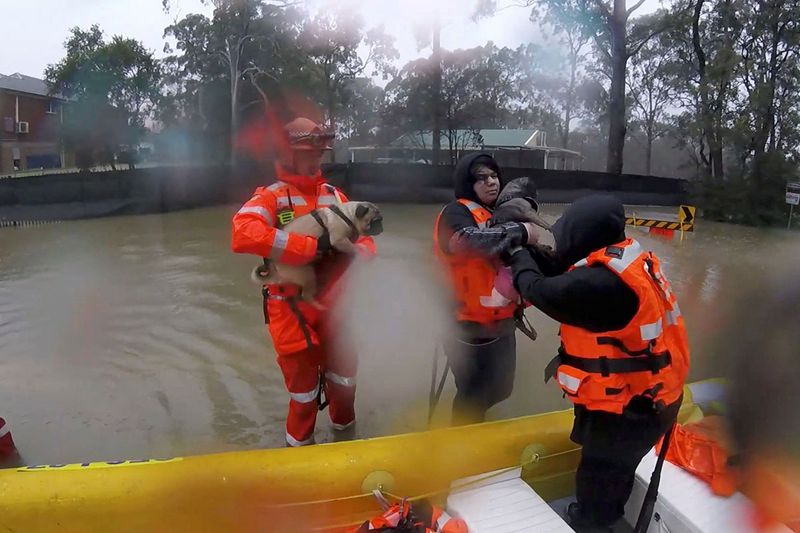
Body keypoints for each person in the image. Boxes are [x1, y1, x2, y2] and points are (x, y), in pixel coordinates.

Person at [504, 194, 690, 531]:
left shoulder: (604, 284)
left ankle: (593, 521)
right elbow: (563, 266)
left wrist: (517, 255)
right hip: (650, 398)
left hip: (631, 410)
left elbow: (540, 290)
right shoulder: (626, 257)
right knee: (611, 472)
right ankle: (605, 508)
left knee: (598, 481)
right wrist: (529, 242)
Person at [231, 117, 376, 447]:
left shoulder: (335, 196)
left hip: (337, 308)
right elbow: (242, 233)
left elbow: (366, 238)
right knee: (304, 396)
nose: (315, 160)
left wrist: (361, 253)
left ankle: (347, 444)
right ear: (289, 154)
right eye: (307, 152)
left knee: (345, 384)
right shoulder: (272, 197)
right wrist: (310, 247)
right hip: (290, 308)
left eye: (320, 153)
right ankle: (299, 458)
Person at [433, 153, 540, 425]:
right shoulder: (456, 212)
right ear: (468, 184)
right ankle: (462, 447)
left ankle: (476, 429)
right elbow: (465, 241)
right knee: (472, 395)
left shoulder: (498, 213)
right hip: (467, 326)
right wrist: (522, 231)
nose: (491, 182)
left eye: (494, 176)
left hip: (502, 320)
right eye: (481, 178)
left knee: (502, 389)